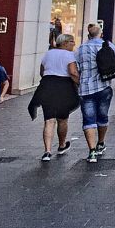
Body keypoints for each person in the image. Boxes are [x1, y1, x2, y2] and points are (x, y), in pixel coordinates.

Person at [33, 33, 80, 161]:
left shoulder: (49, 53)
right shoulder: (69, 55)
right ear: (64, 43)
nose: (73, 44)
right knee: (62, 119)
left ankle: (47, 151)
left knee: (49, 120)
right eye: (71, 41)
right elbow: (72, 72)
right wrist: (79, 83)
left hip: (47, 85)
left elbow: (42, 71)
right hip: (63, 87)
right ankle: (61, 145)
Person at [75, 24, 114, 163]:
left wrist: (78, 82)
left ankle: (91, 151)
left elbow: (75, 68)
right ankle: (101, 143)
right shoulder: (106, 45)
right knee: (102, 116)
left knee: (88, 119)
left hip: (85, 88)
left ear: (88, 35)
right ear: (101, 34)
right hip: (103, 86)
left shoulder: (80, 48)